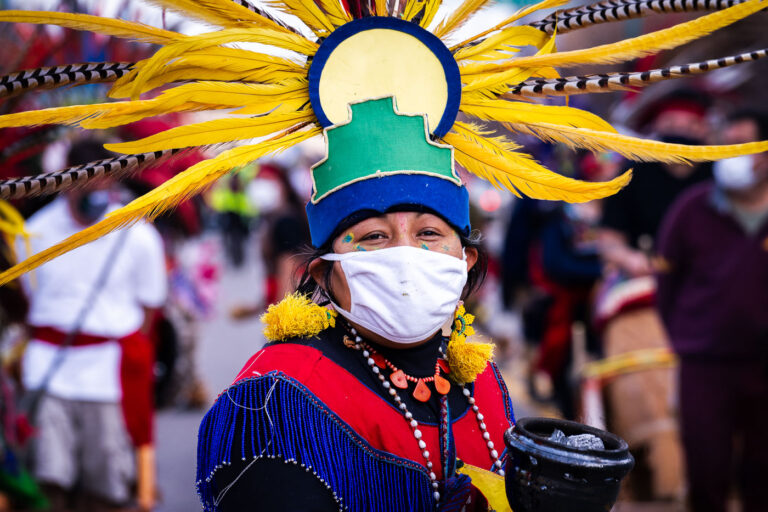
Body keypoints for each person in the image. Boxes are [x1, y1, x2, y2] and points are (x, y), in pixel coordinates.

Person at [197, 98, 512, 512]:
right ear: (324, 274)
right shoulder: (275, 401)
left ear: (465, 261)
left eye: (430, 232)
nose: (405, 253)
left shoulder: (483, 379)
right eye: (375, 236)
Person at [18, 141, 167, 511]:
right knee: (47, 484)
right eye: (87, 185)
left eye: (104, 184)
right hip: (47, 375)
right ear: (66, 182)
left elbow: (149, 310)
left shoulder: (137, 235)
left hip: (108, 381)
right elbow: (26, 302)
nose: (97, 193)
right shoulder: (33, 234)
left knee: (106, 491)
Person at [656, 111, 768, 512]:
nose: (734, 157)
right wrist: (689, 336)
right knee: (706, 468)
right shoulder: (692, 210)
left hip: (763, 365)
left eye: (745, 147)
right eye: (729, 145)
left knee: (762, 472)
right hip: (704, 362)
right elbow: (666, 283)